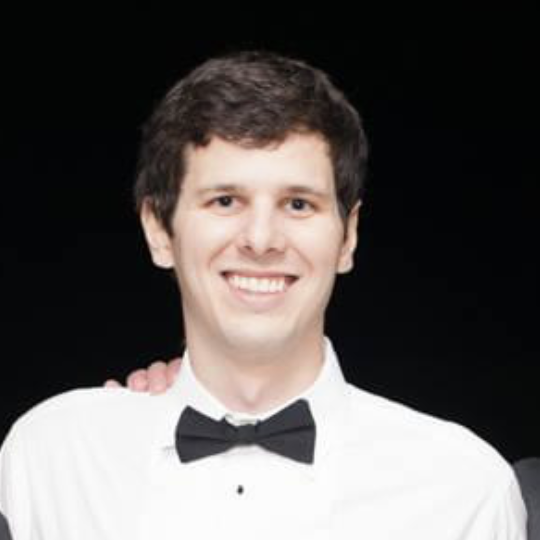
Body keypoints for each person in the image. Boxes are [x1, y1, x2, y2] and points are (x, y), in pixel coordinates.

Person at [0, 50, 526, 539]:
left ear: (348, 236)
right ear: (159, 230)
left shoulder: (465, 490)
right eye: (225, 200)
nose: (261, 239)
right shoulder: (50, 457)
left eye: (298, 204)